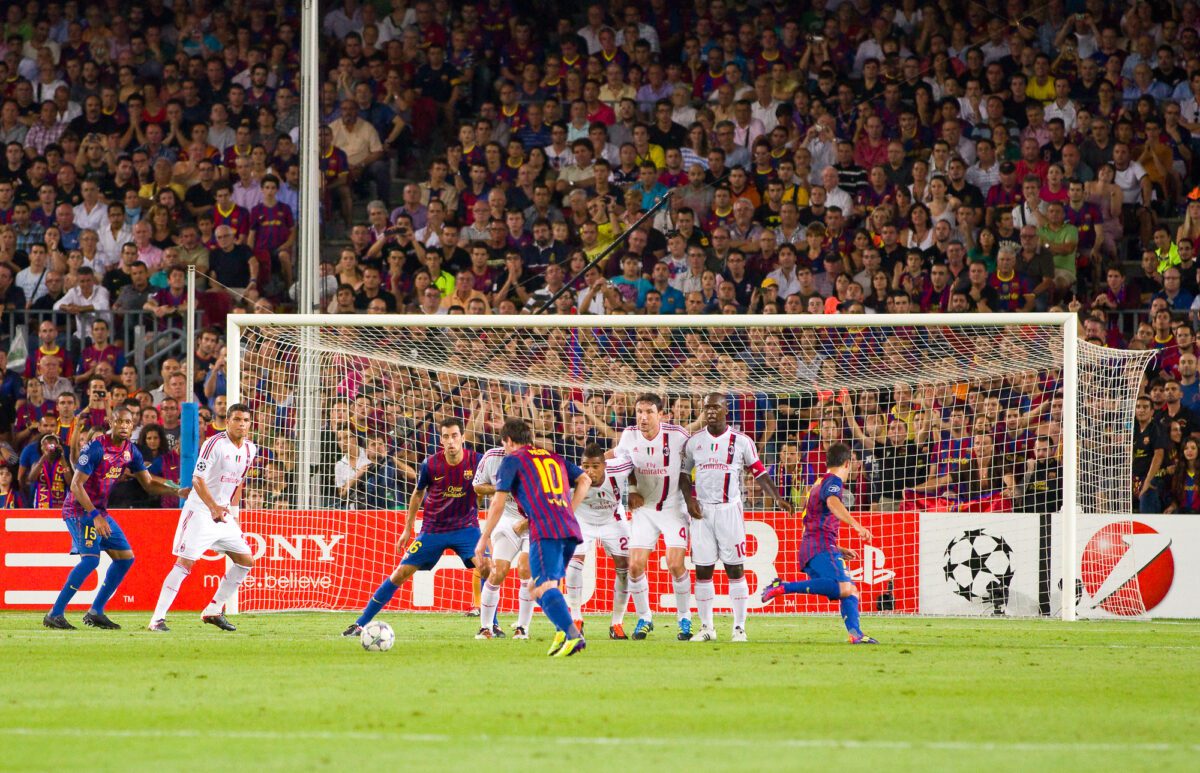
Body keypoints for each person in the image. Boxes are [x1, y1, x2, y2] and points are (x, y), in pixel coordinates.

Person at [342, 418, 482, 638]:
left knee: (486, 567)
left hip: (466, 527)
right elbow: (417, 494)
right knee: (400, 573)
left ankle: (490, 625)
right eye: (446, 437)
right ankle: (360, 623)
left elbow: (489, 486)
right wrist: (408, 528)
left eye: (455, 436)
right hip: (433, 529)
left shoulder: (477, 461)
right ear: (441, 440)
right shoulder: (431, 464)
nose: (451, 441)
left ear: (463, 437)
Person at [43, 406, 180, 630]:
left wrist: (174, 490)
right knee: (90, 560)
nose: (124, 426)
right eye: (120, 422)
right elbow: (76, 485)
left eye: (128, 422)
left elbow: (148, 484)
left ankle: (96, 611)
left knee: (125, 557)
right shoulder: (95, 449)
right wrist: (95, 516)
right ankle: (54, 614)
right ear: (110, 423)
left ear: (133, 426)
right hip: (79, 510)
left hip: (99, 511)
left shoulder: (131, 451)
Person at [680, 393, 792, 643]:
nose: (710, 412)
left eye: (715, 408)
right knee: (703, 571)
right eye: (706, 407)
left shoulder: (741, 441)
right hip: (702, 512)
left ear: (725, 410)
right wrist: (690, 501)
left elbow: (759, 472)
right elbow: (684, 475)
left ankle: (739, 628)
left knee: (735, 569)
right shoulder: (693, 442)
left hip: (730, 510)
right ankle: (707, 627)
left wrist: (776, 497)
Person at [475, 418, 592, 658]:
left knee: (542, 585)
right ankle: (561, 630)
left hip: (544, 528)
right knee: (534, 587)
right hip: (569, 527)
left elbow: (497, 502)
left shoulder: (512, 460)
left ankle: (573, 634)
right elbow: (586, 479)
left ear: (508, 441)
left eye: (504, 443)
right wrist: (569, 508)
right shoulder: (552, 456)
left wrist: (484, 537)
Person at [148, 404, 257, 632]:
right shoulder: (214, 444)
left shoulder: (250, 449)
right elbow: (197, 479)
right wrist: (213, 507)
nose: (241, 424)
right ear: (227, 421)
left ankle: (214, 610)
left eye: (245, 420)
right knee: (185, 563)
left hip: (223, 513)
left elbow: (238, 483)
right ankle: (156, 620)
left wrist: (232, 514)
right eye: (237, 419)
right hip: (200, 511)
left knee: (246, 560)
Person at [761, 442, 878, 644]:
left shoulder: (817, 483)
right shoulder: (833, 482)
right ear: (848, 463)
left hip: (814, 545)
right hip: (820, 545)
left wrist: (838, 548)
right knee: (844, 588)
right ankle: (783, 587)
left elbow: (810, 523)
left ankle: (856, 634)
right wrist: (856, 525)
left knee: (850, 588)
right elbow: (833, 502)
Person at [606, 392, 693, 641]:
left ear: (662, 415)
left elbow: (695, 462)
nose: (643, 418)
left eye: (649, 412)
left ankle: (684, 618)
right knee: (634, 566)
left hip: (672, 509)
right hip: (644, 510)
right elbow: (625, 461)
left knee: (675, 564)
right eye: (639, 412)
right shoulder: (629, 435)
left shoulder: (678, 437)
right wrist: (631, 490)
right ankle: (645, 618)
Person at [572, 443, 635, 640]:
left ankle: (616, 622)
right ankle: (575, 619)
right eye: (585, 466)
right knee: (574, 564)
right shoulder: (572, 477)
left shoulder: (619, 468)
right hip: (582, 521)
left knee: (626, 567)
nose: (589, 471)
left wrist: (633, 490)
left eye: (595, 466)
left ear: (605, 465)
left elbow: (635, 458)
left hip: (612, 520)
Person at [472, 444, 533, 639]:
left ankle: (522, 628)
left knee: (525, 568)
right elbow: (477, 486)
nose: (514, 448)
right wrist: (502, 487)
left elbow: (551, 499)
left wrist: (527, 521)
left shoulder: (538, 462)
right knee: (497, 571)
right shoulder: (492, 457)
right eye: (510, 443)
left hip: (534, 521)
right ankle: (486, 628)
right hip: (506, 520)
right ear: (505, 441)